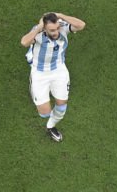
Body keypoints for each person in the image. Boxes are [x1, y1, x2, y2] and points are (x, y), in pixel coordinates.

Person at [21, 12, 86, 142]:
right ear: (44, 28)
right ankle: (34, 88)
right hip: (40, 73)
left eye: (57, 28)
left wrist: (61, 16)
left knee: (61, 107)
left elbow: (81, 25)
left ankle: (51, 127)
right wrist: (39, 28)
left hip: (59, 70)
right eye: (52, 30)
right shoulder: (38, 33)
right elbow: (24, 42)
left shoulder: (61, 27)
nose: (56, 32)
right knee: (44, 113)